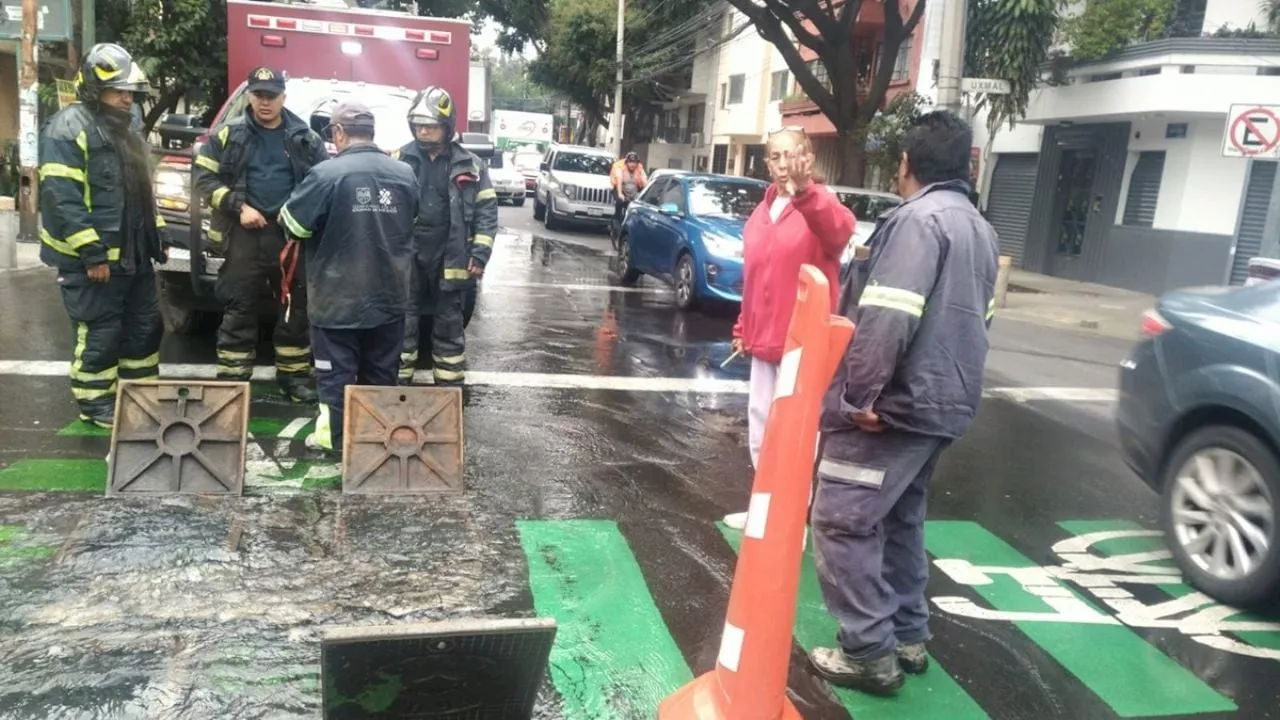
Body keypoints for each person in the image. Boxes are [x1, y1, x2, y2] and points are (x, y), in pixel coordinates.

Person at [807, 111, 999, 695]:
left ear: (906, 165)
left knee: (842, 519)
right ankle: (908, 635)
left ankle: (868, 651)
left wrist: (859, 397)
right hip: (941, 405)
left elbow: (888, 314)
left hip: (891, 408)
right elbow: (975, 322)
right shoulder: (979, 227)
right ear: (967, 165)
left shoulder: (916, 222)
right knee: (899, 517)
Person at [724, 128, 855, 529]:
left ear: (808, 158)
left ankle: (793, 518)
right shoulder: (762, 212)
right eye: (776, 157)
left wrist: (805, 192)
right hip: (762, 344)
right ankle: (764, 509)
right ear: (767, 163)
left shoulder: (819, 204)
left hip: (803, 346)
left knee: (796, 437)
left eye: (792, 156)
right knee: (762, 432)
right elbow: (756, 275)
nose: (784, 166)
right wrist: (743, 326)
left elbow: (841, 231)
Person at [276, 100, 419, 455]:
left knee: (336, 379)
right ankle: (378, 440)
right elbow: (410, 222)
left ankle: (334, 443)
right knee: (382, 376)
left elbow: (292, 224)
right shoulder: (404, 174)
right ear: (371, 132)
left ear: (338, 133)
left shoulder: (326, 175)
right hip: (389, 298)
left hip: (337, 301)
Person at [40, 44, 166, 428]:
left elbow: (143, 193)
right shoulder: (69, 128)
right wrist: (92, 254)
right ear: (94, 90)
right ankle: (95, 402)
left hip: (134, 256)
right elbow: (63, 199)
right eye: (118, 92)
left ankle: (139, 397)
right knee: (101, 332)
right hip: (95, 261)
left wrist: (156, 238)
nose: (126, 99)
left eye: (130, 93)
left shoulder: (129, 133)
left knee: (145, 328)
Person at [192, 66, 329, 402]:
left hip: (290, 237)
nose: (264, 102)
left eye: (271, 96)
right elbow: (202, 181)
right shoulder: (227, 135)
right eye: (258, 95)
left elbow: (323, 184)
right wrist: (239, 208)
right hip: (244, 233)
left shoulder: (305, 138)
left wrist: (297, 212)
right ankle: (233, 382)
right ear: (249, 95)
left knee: (295, 307)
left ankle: (294, 378)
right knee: (240, 303)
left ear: (283, 96)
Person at [391, 86, 498, 386]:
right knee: (404, 323)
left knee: (449, 325)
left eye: (431, 126)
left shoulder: (472, 166)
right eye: (419, 125)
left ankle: (449, 390)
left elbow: (487, 212)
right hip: (409, 257)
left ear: (447, 127)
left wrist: (479, 254)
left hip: (450, 257)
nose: (424, 131)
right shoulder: (399, 159)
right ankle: (397, 387)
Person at [610, 151, 647, 245]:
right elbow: (618, 180)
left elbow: (644, 182)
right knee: (619, 202)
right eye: (630, 162)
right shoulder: (620, 168)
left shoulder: (639, 169)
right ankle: (616, 224)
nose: (632, 165)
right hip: (620, 189)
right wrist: (620, 194)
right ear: (626, 163)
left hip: (633, 192)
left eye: (634, 162)